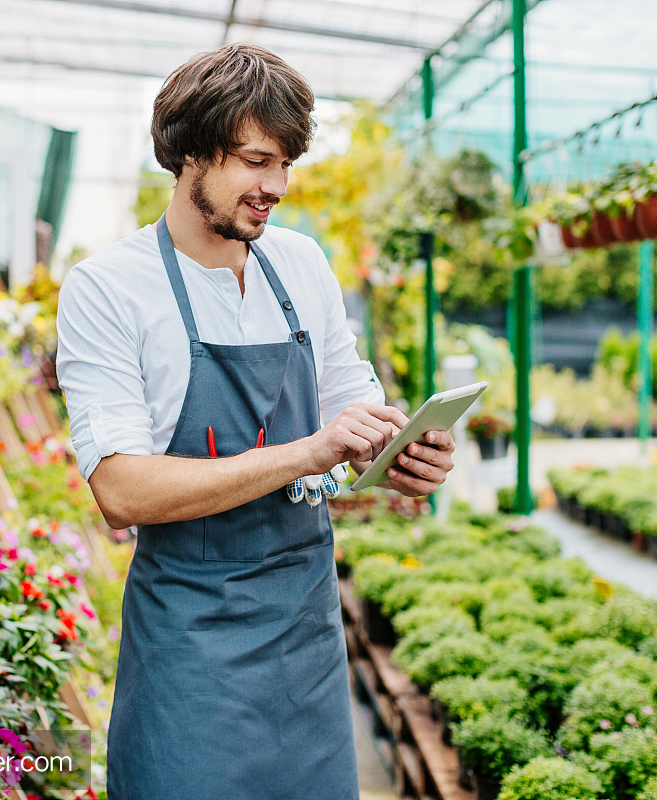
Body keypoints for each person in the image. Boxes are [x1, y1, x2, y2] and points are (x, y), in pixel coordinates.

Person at [56, 43, 456, 800]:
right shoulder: (109, 289)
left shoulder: (300, 265)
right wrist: (309, 452)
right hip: (192, 650)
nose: (275, 186)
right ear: (189, 154)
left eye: (285, 165)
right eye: (254, 161)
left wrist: (400, 454)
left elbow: (352, 409)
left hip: (305, 632)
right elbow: (122, 490)